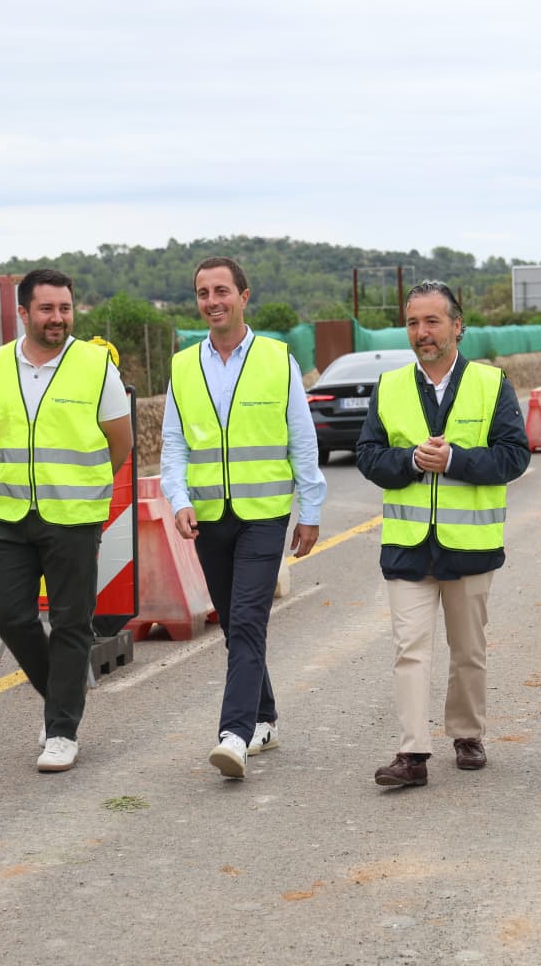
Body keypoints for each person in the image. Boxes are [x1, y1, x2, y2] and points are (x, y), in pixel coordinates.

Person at [356, 281, 531, 788]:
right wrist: (410, 461)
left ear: (458, 326)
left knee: (468, 651)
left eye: (432, 322)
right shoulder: (388, 387)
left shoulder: (491, 384)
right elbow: (368, 455)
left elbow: (514, 455)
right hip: (408, 548)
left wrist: (454, 460)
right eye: (413, 323)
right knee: (409, 649)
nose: (421, 332)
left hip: (469, 547)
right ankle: (412, 754)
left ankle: (467, 733)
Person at [161, 257, 326, 780]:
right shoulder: (182, 366)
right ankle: (265, 718)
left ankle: (233, 734)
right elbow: (173, 445)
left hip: (264, 515)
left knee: (249, 621)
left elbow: (302, 440)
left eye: (222, 291)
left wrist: (311, 509)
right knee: (237, 626)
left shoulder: (279, 360)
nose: (213, 301)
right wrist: (179, 499)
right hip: (208, 516)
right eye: (204, 293)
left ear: (244, 296)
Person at [0, 268, 133, 774]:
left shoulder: (96, 366)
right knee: (6, 613)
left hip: (72, 516)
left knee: (72, 623)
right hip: (9, 513)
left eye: (65, 308)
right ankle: (62, 700)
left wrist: (86, 486)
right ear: (23, 313)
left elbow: (121, 441)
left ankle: (62, 730)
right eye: (47, 309)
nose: (58, 318)